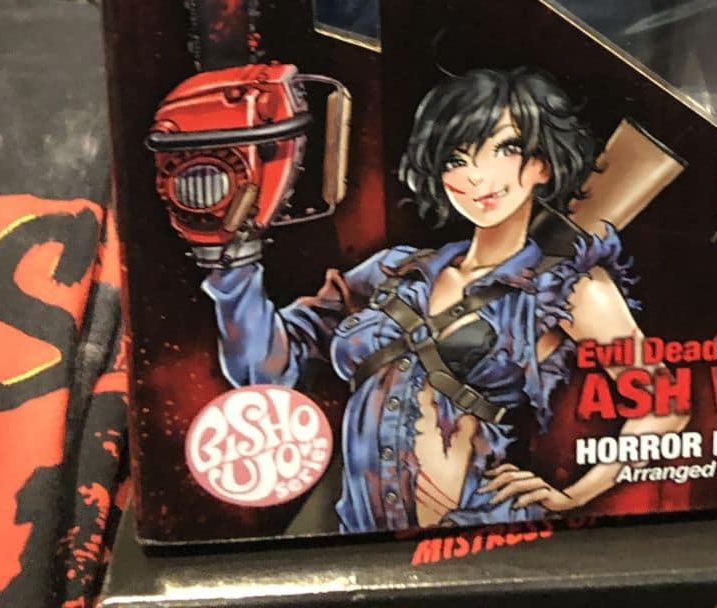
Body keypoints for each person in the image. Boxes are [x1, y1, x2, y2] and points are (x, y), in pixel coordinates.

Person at [202, 65, 683, 531]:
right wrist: (234, 263)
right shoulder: (393, 269)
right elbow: (263, 370)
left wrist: (575, 494)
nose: (476, 176)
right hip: (359, 535)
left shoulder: (568, 287)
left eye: (504, 149)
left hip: (477, 535)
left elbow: (664, 401)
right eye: (457, 158)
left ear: (541, 164)